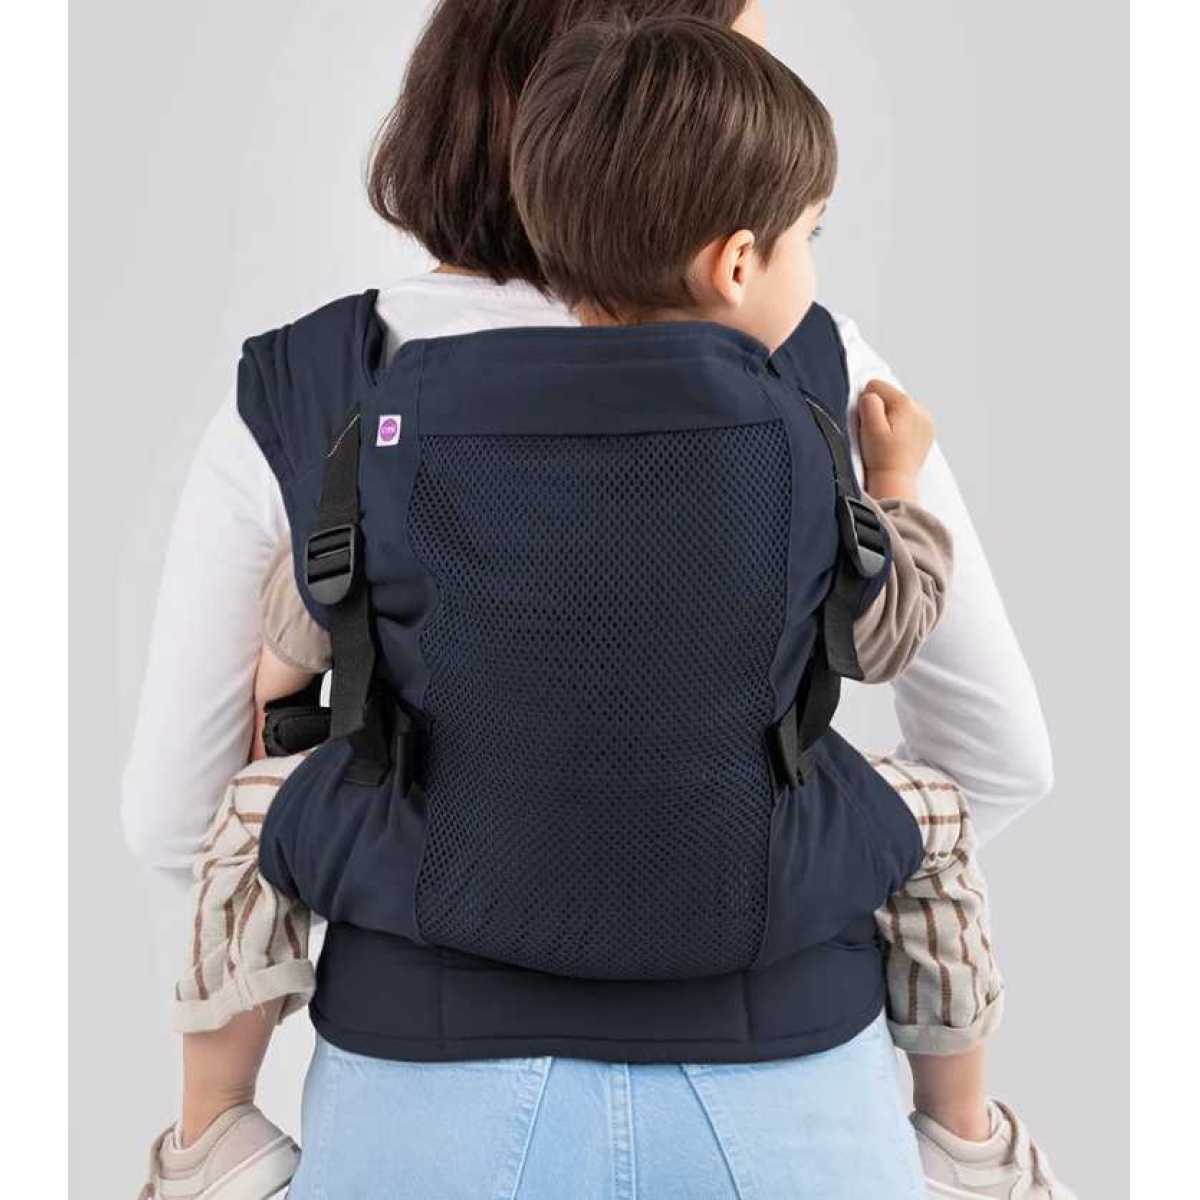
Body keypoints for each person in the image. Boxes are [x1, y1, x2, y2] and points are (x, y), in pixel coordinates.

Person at [137, 14, 1068, 1200]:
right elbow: (990, 747)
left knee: (253, 812)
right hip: (787, 1060)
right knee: (930, 818)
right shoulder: (820, 393)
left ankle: (209, 1131)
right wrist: (889, 491)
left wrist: (299, 696)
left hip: (416, 1082)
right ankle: (967, 1138)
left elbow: (178, 815)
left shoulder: (346, 400)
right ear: (737, 257)